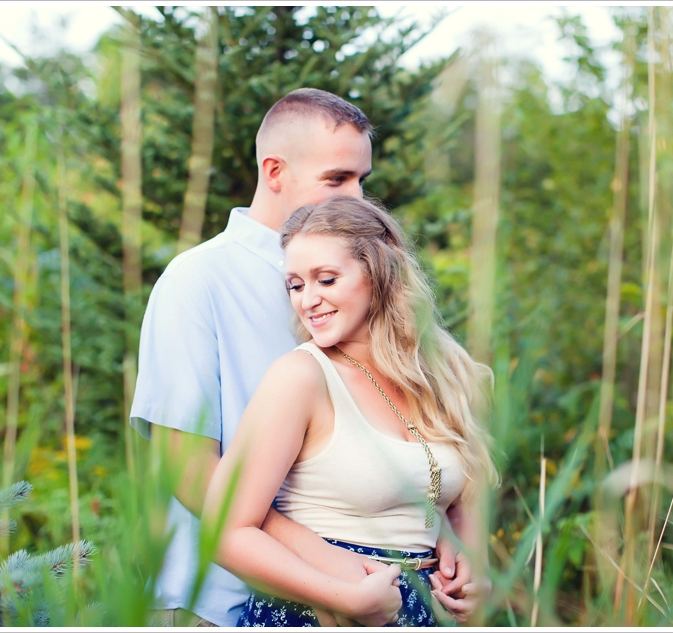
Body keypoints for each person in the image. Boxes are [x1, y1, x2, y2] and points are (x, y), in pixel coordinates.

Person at [129, 89, 476, 627]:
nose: (358, 198)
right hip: (217, 600)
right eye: (337, 180)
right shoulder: (196, 281)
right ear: (274, 171)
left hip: (371, 595)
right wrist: (328, 561)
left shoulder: (365, 278)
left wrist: (446, 536)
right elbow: (190, 471)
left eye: (363, 180)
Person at [203, 195, 496, 627]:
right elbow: (223, 532)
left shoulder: (447, 375)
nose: (308, 300)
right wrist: (343, 597)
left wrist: (473, 566)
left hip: (424, 612)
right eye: (296, 285)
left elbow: (457, 502)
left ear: (380, 272)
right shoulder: (301, 376)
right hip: (318, 612)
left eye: (326, 279)